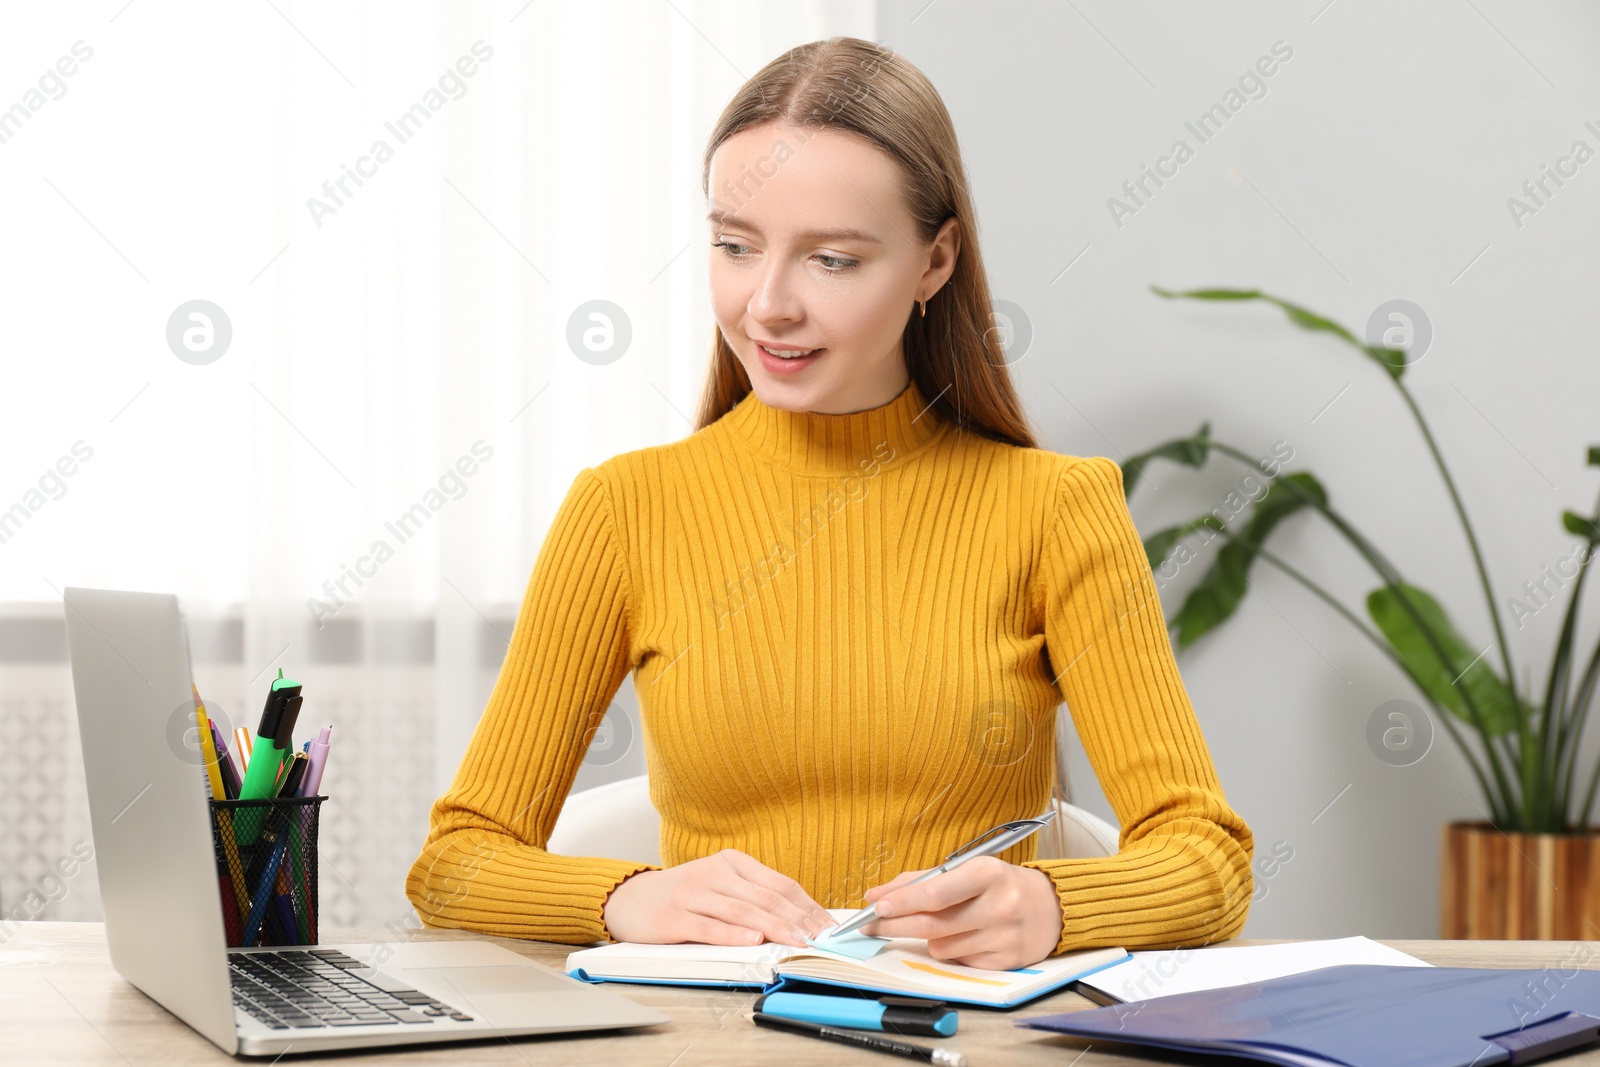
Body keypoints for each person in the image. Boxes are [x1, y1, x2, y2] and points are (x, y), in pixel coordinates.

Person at [405, 36, 1253, 972]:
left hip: (955, 1032)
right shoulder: (625, 509)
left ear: (935, 263)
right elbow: (453, 866)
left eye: (834, 261)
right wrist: (626, 894)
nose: (766, 304)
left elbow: (1208, 859)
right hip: (714, 1039)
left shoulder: (1056, 509)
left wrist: (1049, 904)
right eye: (735, 246)